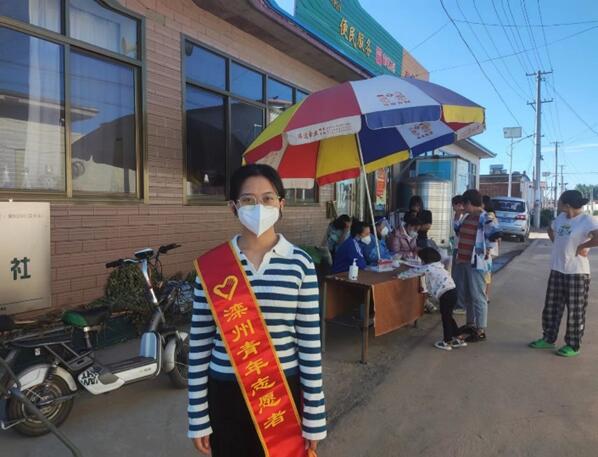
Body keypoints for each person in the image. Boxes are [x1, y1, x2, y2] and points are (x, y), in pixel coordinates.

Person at [188, 164, 326, 456]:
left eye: (267, 198)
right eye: (248, 200)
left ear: (281, 204)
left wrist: (314, 416)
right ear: (233, 207)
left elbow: (310, 345)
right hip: (225, 391)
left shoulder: (300, 264)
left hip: (281, 391)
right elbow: (199, 345)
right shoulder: (212, 267)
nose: (259, 206)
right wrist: (197, 416)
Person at [529, 190, 598, 357]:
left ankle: (573, 345)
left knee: (575, 311)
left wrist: (582, 247)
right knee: (551, 307)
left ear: (567, 204)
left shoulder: (586, 220)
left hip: (577, 273)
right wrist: (558, 244)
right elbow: (550, 229)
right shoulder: (561, 218)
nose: (557, 204)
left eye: (559, 201)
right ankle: (548, 339)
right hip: (557, 269)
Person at [453, 189, 500, 343]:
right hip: (465, 261)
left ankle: (480, 330)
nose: (462, 207)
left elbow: (495, 235)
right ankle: (470, 324)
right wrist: (457, 215)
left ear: (469, 203)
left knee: (478, 296)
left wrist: (487, 252)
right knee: (469, 295)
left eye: (464, 205)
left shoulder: (486, 217)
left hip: (478, 263)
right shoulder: (467, 217)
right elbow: (458, 231)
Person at [399, 247, 467, 351]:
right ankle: (458, 337)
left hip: (445, 294)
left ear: (425, 259)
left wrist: (400, 276)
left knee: (446, 318)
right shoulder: (438, 265)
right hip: (452, 291)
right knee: (448, 316)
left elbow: (414, 272)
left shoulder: (428, 267)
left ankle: (447, 341)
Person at [450, 195, 467, 315]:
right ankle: (457, 303)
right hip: (456, 247)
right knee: (455, 277)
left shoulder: (464, 216)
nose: (453, 207)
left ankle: (461, 305)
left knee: (459, 278)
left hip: (461, 249)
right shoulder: (456, 216)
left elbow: (461, 234)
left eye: (454, 205)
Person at [482, 195, 500, 302]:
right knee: (487, 273)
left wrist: (489, 249)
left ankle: (485, 295)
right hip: (490, 249)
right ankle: (486, 295)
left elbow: (495, 236)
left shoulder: (488, 217)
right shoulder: (492, 215)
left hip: (487, 249)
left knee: (486, 273)